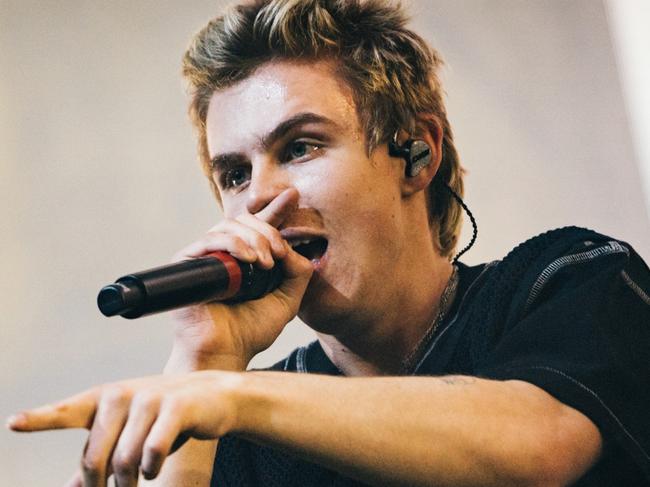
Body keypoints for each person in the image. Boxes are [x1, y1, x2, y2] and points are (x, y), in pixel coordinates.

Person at [7, 1, 650, 486]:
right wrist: (204, 361)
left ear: (415, 153)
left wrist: (230, 399)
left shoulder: (568, 277)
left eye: (301, 147)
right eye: (234, 173)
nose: (259, 196)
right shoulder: (241, 416)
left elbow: (539, 448)